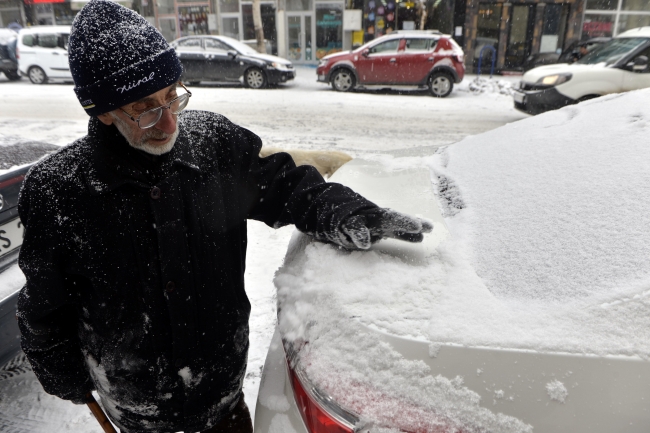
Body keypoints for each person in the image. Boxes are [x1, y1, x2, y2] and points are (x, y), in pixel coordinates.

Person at [15, 1, 433, 432]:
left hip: (222, 398)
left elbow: (288, 186)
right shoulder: (59, 191)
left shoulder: (214, 145)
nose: (168, 122)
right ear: (101, 111)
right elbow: (45, 307)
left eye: (172, 95)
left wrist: (350, 213)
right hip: (138, 410)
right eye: (144, 108)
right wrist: (64, 374)